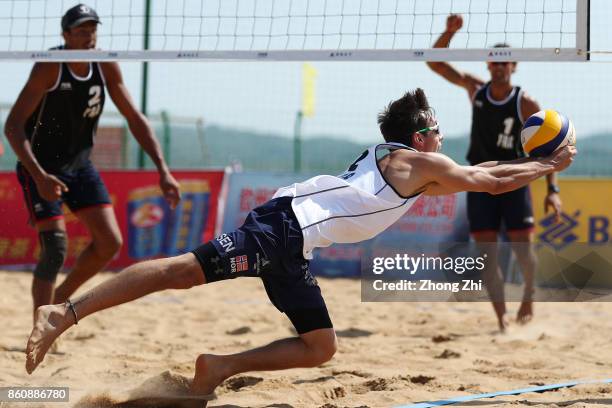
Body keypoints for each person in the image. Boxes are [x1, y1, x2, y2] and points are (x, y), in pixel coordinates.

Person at [25, 89, 575, 403]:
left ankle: (217, 366)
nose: (442, 141)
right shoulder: (418, 161)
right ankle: (63, 313)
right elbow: (492, 180)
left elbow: (483, 170)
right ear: (419, 138)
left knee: (320, 347)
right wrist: (551, 163)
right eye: (436, 132)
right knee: (181, 271)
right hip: (283, 229)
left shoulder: (400, 157)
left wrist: (533, 164)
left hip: (295, 243)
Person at [4, 4, 181, 322]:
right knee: (56, 248)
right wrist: (40, 176)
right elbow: (13, 126)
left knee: (109, 243)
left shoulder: (105, 64)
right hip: (40, 166)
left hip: (79, 164)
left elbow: (134, 118)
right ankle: (40, 327)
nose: (89, 36)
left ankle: (59, 299)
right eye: (82, 30)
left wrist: (163, 170)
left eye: (93, 30)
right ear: (66, 34)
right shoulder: (49, 66)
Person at [426, 14, 564, 330]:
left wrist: (553, 191)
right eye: (495, 62)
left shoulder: (525, 102)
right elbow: (435, 63)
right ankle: (501, 317)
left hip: (514, 180)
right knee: (486, 254)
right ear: (488, 66)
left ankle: (528, 296)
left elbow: (547, 149)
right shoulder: (476, 89)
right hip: (479, 181)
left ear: (514, 67)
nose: (499, 67)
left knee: (523, 251)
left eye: (505, 63)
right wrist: (449, 33)